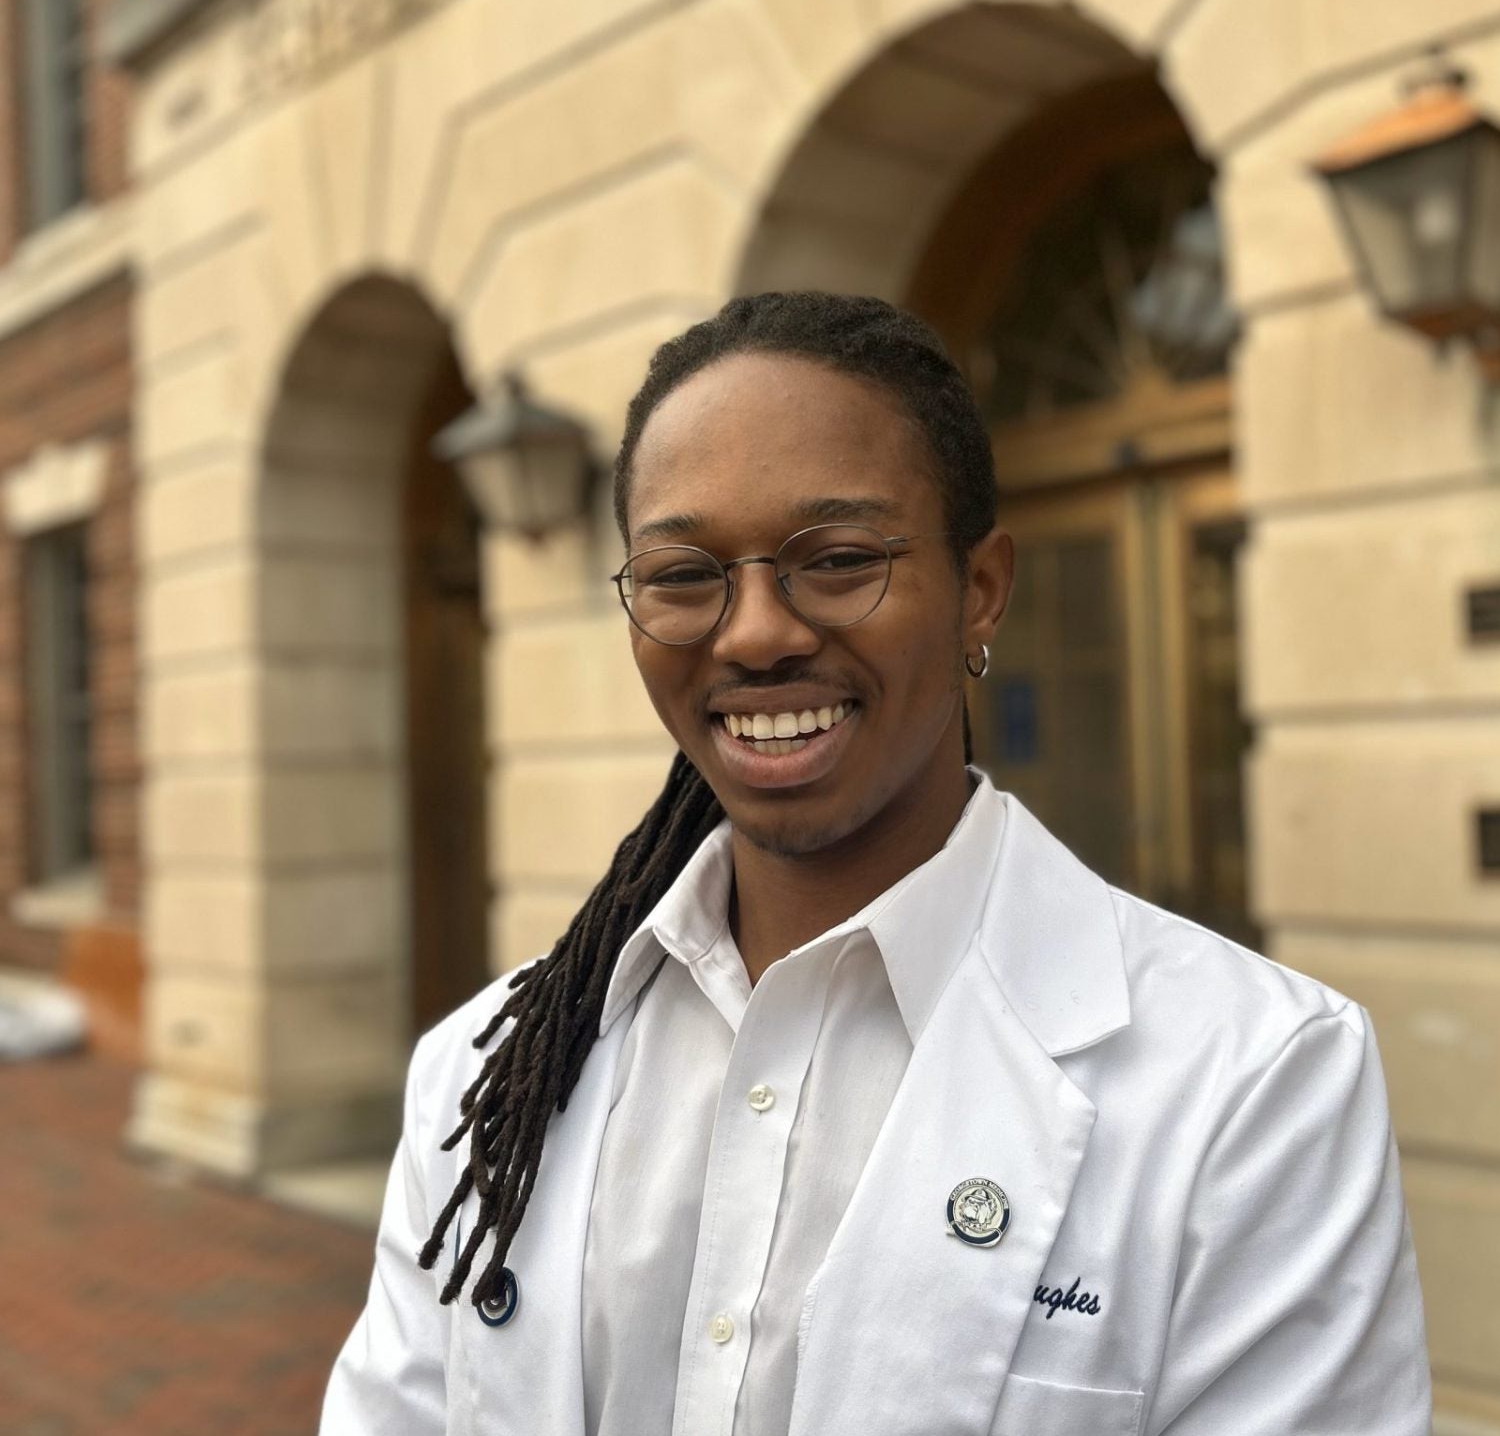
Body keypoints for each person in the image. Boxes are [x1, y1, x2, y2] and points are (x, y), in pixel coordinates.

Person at [322, 291, 1431, 1435]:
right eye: (683, 573)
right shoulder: (482, 1077)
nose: (754, 633)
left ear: (980, 594)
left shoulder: (1256, 1081)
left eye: (840, 557)